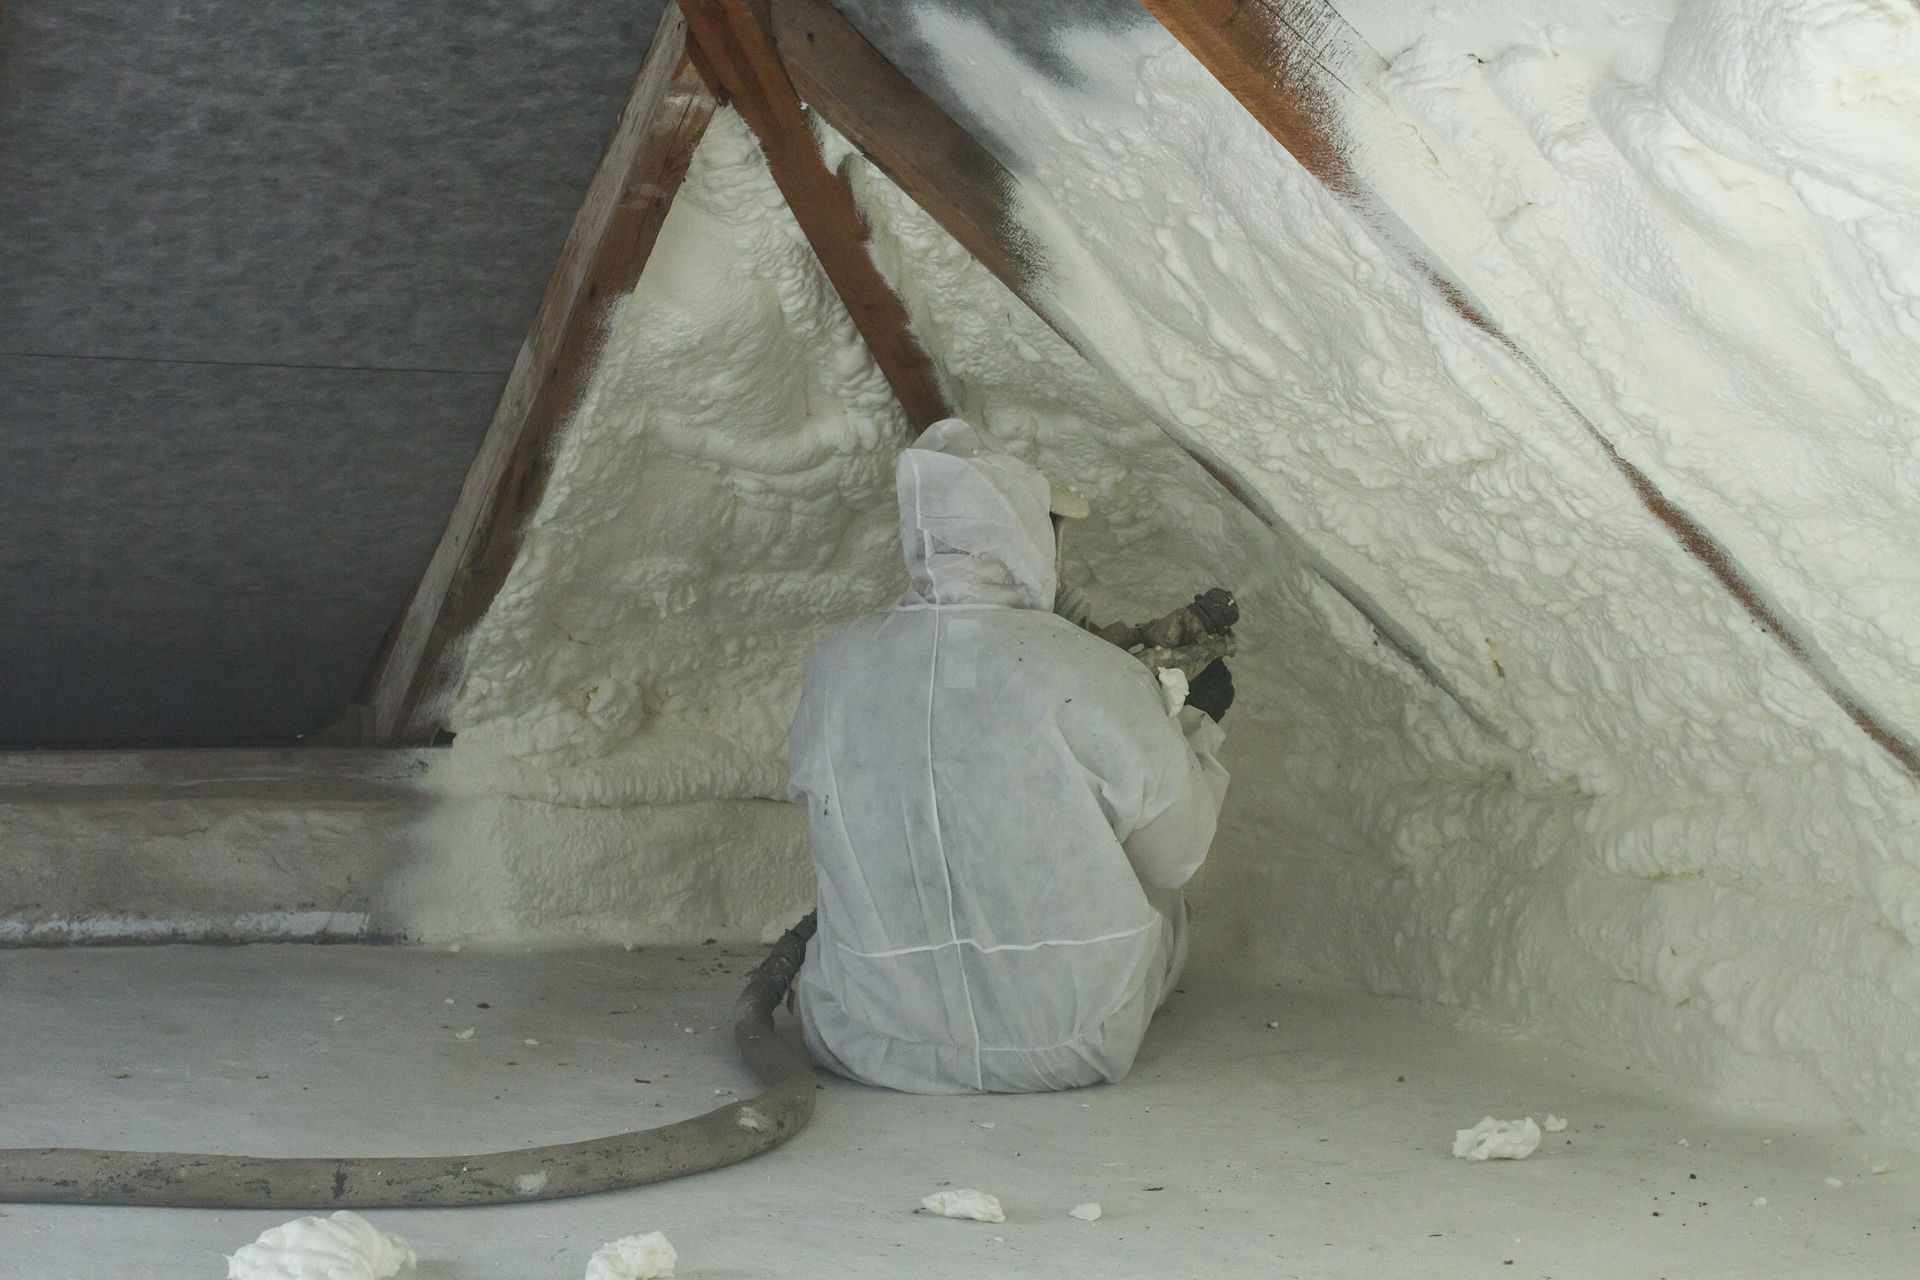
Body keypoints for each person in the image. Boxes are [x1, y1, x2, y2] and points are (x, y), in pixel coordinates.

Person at [787, 418, 1232, 1094]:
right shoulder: (1094, 674)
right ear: (1028, 537)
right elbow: (1176, 858)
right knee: (1149, 883)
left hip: (868, 1039)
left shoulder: (835, 665)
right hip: (1071, 1043)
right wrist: (1193, 726)